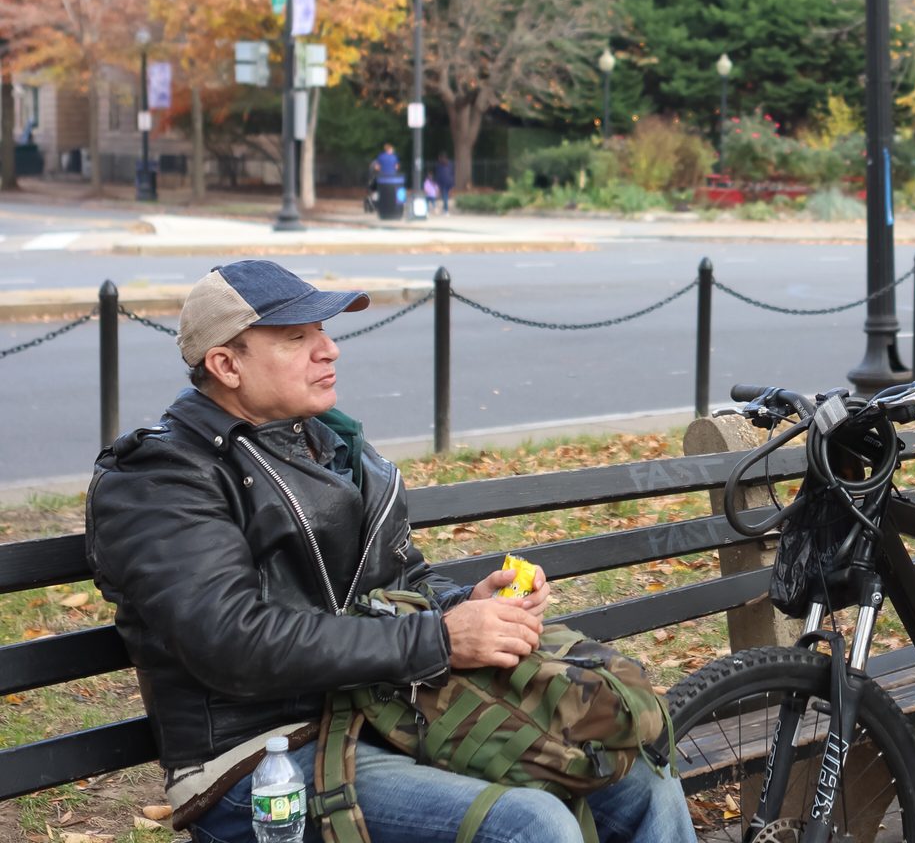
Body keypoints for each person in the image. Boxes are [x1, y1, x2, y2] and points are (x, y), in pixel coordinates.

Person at [86, 259, 693, 843]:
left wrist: (468, 604)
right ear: (226, 364)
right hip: (258, 760)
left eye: (322, 331)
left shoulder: (326, 447)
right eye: (296, 338)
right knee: (528, 825)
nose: (329, 350)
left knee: (642, 781)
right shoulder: (161, 477)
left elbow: (402, 582)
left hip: (383, 712)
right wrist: (442, 639)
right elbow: (233, 642)